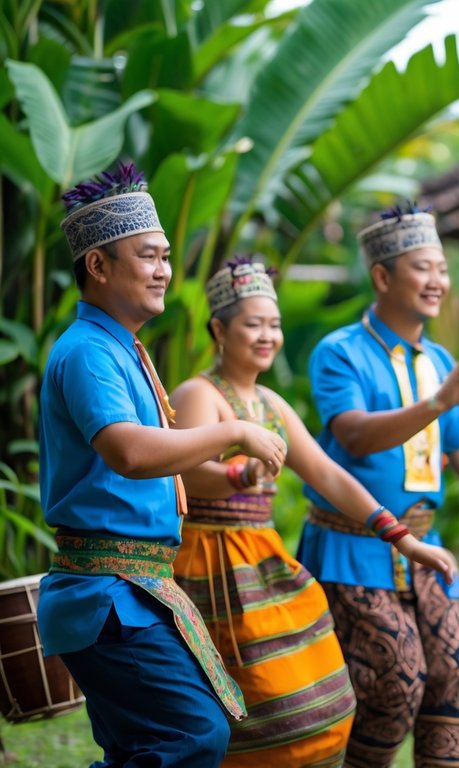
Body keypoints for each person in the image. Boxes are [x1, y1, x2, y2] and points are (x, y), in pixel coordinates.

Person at [37, 162, 286, 765]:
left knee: (145, 747)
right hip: (108, 594)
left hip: (134, 590)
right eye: (148, 256)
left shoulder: (121, 349)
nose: (164, 271)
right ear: (98, 266)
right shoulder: (89, 352)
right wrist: (234, 431)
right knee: (193, 735)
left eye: (166, 256)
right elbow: (130, 452)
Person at [170, 257, 456, 766]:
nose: (267, 336)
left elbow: (328, 476)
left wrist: (399, 537)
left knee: (324, 703)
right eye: (253, 324)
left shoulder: (271, 404)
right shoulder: (200, 394)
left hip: (259, 557)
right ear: (219, 329)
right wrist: (239, 475)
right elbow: (183, 475)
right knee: (263, 708)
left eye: (274, 324)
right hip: (208, 563)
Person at [299, 204, 459, 767]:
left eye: (442, 269)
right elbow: (353, 436)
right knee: (394, 679)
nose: (438, 280)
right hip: (353, 545)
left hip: (425, 549)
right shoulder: (340, 352)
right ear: (382, 276)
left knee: (455, 679)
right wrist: (437, 402)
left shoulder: (439, 360)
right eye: (423, 268)